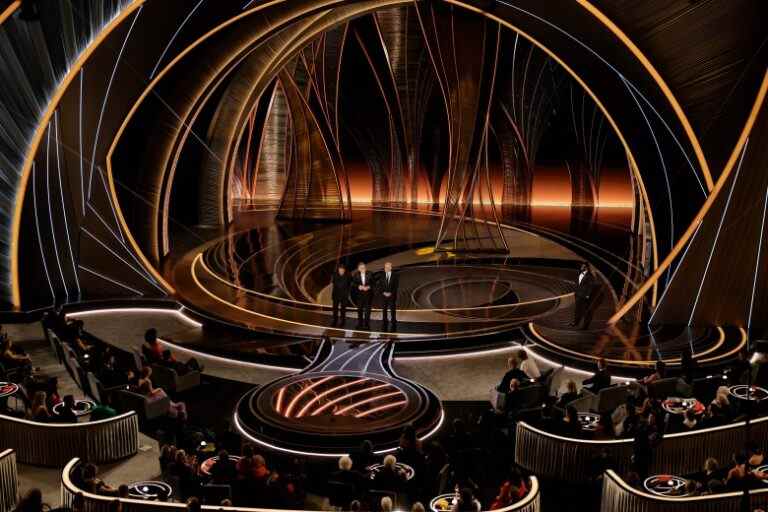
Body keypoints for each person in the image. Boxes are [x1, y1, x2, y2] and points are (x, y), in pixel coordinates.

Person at [572, 263, 596, 329]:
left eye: (583, 266)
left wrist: (587, 295)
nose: (581, 267)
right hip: (578, 294)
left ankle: (585, 326)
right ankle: (575, 322)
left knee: (585, 311)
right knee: (577, 309)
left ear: (586, 268)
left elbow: (590, 286)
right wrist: (575, 292)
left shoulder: (590, 276)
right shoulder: (580, 273)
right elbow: (577, 283)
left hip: (584, 296)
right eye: (581, 266)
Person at [378, 262, 399, 331]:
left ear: (390, 267)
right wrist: (383, 292)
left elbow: (396, 286)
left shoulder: (395, 275)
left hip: (392, 296)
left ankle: (393, 320)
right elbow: (380, 286)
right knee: (384, 309)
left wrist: (390, 293)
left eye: (387, 267)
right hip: (383, 296)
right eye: (385, 267)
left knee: (392, 309)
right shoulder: (382, 275)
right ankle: (384, 320)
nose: (386, 268)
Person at [352, 262, 373, 330]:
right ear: (358, 269)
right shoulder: (355, 275)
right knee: (360, 310)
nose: (363, 269)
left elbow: (374, 283)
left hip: (368, 295)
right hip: (359, 296)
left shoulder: (370, 273)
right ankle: (360, 323)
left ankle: (367, 324)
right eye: (361, 268)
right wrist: (358, 286)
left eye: (364, 267)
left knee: (367, 311)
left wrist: (369, 287)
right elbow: (353, 284)